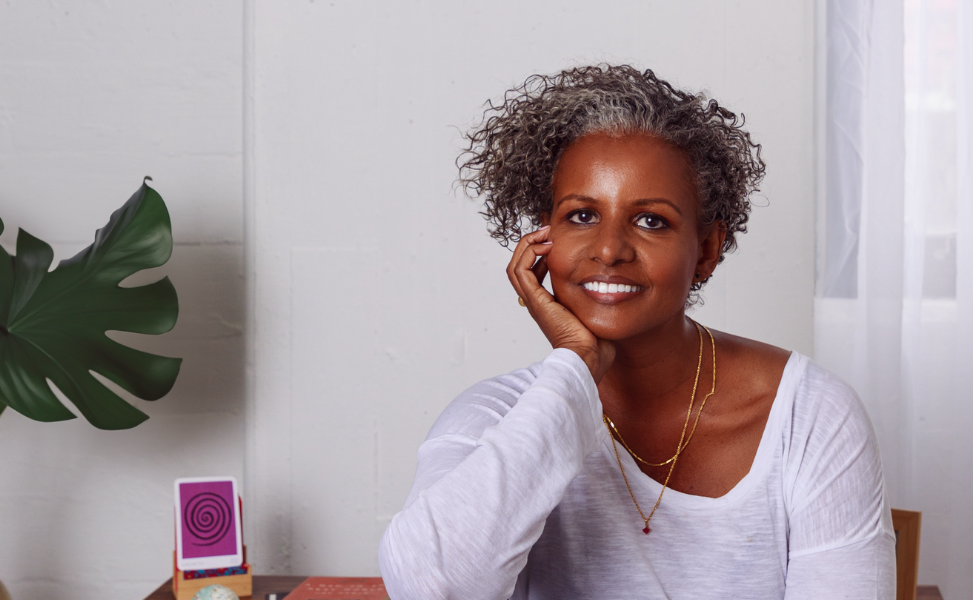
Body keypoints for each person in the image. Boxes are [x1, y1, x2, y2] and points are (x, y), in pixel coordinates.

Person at [377, 65, 896, 599]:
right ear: (544, 237)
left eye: (651, 221)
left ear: (707, 250)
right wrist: (575, 366)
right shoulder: (496, 417)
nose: (609, 250)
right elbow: (428, 586)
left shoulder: (809, 416)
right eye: (581, 216)